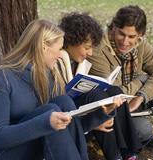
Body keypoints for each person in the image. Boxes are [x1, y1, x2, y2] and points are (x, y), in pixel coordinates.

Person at [0, 19, 120, 160]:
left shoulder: (51, 75)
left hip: (33, 144)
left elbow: (66, 132)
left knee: (63, 102)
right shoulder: (2, 78)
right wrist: (46, 122)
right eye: (59, 49)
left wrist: (99, 116)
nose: (60, 55)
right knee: (50, 111)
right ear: (43, 46)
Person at [87, 5, 153, 160]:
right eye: (121, 34)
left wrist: (142, 96)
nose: (125, 41)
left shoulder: (140, 45)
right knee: (143, 131)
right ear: (113, 28)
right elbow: (113, 91)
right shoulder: (98, 49)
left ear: (140, 35)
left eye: (131, 37)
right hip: (113, 109)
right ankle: (138, 140)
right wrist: (142, 81)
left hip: (132, 100)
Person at [58, 12, 143, 160]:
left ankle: (129, 152)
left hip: (81, 111)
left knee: (115, 92)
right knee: (97, 97)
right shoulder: (58, 60)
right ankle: (115, 156)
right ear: (72, 41)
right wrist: (92, 122)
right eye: (86, 47)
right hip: (68, 120)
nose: (90, 53)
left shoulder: (78, 61)